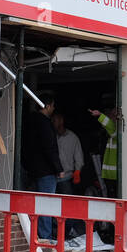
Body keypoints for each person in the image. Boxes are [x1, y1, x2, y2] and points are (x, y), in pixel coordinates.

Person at [22, 95, 62, 242]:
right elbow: (49, 148)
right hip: (46, 171)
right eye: (53, 105)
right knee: (46, 205)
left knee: (34, 204)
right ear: (48, 106)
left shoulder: (29, 122)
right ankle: (45, 238)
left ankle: (35, 235)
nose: (54, 108)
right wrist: (58, 167)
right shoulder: (45, 124)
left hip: (32, 169)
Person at [52, 112, 86, 243]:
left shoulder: (72, 138)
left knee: (68, 207)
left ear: (61, 120)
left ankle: (65, 232)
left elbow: (79, 158)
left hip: (66, 178)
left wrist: (77, 171)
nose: (53, 122)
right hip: (52, 178)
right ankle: (55, 232)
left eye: (55, 120)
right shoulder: (51, 136)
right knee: (52, 207)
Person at [88, 102, 121, 198]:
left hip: (115, 175)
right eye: (111, 115)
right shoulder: (110, 134)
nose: (112, 118)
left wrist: (100, 115)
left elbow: (111, 127)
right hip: (110, 175)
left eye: (115, 115)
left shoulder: (118, 132)